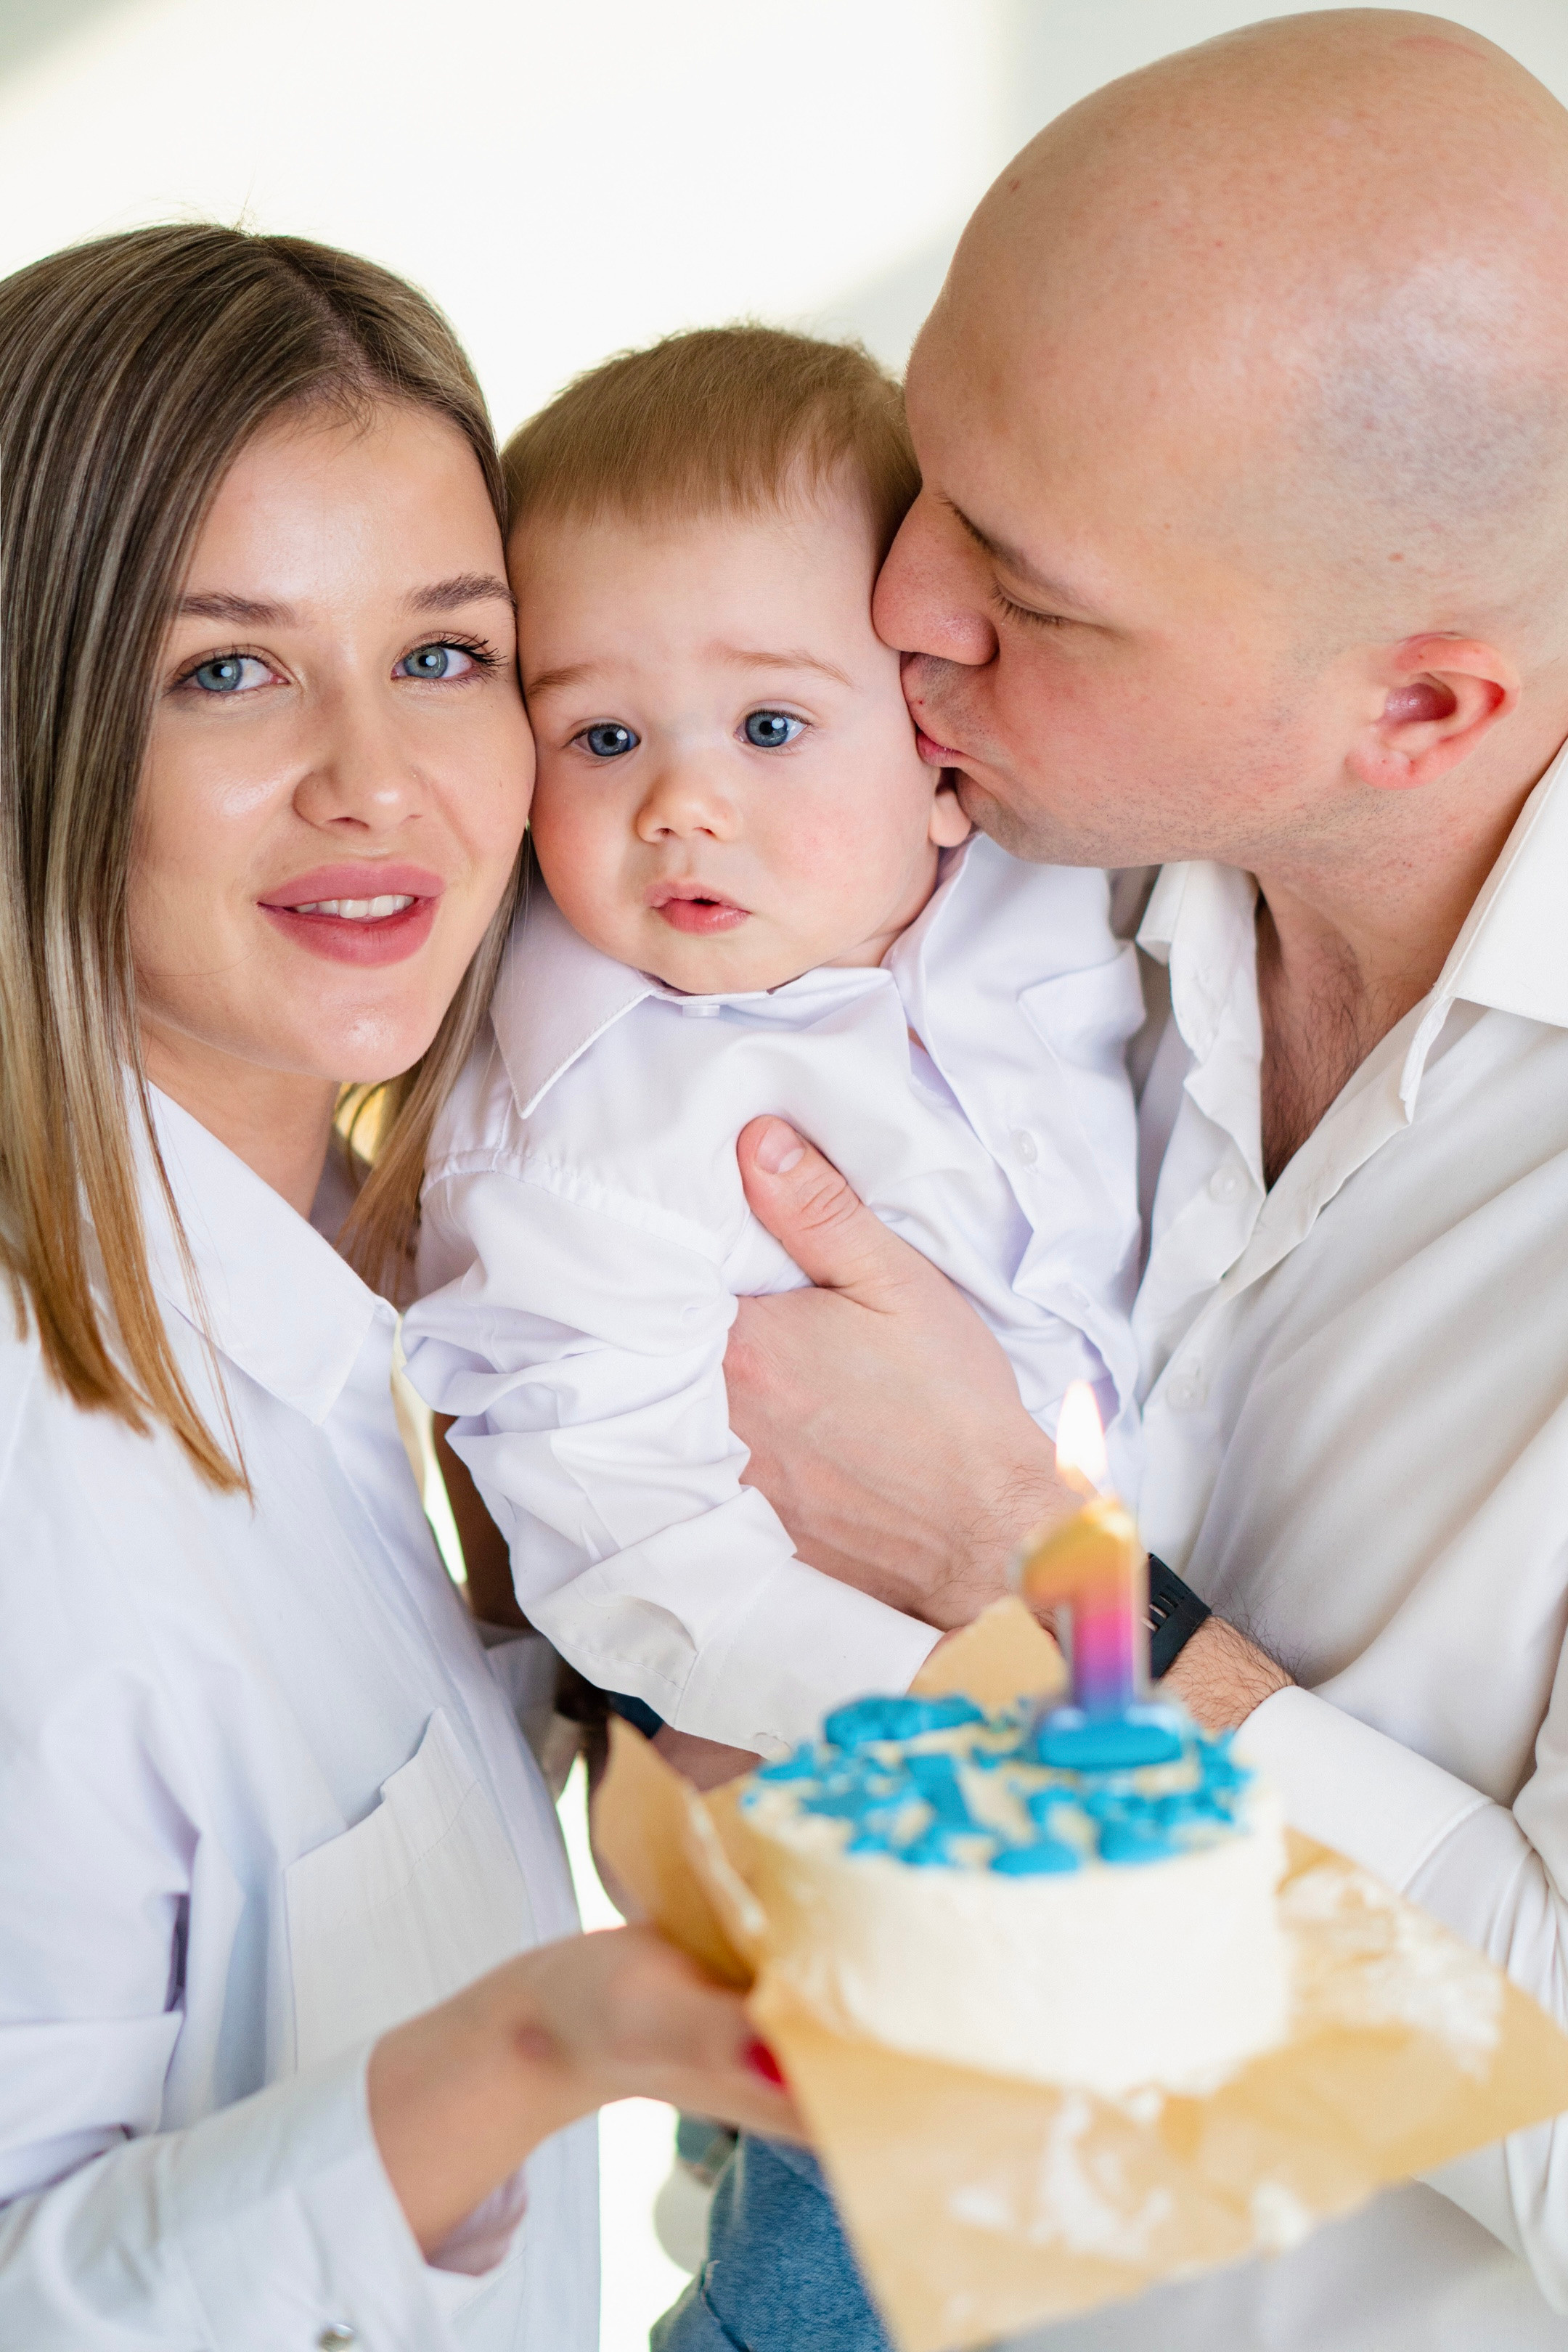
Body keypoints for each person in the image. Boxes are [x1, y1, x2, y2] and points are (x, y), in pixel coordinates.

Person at [698, 9, 1568, 2348]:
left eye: (1029, 585)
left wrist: (1032, 1578)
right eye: (928, 464)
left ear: (1421, 710)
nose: (896, 600)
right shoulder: (952, 860)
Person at [0, 223, 798, 2352]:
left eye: (446, 655)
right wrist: (551, 2047)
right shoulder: (33, 1463)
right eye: (226, 670)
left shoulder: (440, 1290)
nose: (379, 779)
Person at [401, 324, 1143, 1778]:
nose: (682, 801)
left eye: (769, 723)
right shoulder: (582, 1141)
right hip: (841, 1752)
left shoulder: (1057, 889)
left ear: (940, 748)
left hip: (1142, 1635)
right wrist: (971, 1707)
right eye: (602, 738)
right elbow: (634, 1553)